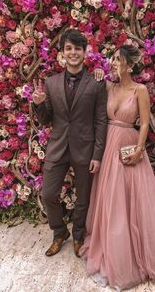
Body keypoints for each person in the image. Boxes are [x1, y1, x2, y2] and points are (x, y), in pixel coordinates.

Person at [79, 45, 155, 290]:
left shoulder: (139, 90)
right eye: (111, 59)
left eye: (117, 60)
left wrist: (139, 150)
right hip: (108, 146)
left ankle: (135, 253)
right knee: (109, 196)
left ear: (130, 66)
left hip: (129, 147)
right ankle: (112, 248)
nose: (113, 63)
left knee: (131, 198)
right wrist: (98, 71)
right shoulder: (109, 87)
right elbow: (90, 94)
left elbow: (144, 123)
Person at [32, 29, 107, 257]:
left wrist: (97, 154)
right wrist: (39, 104)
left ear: (84, 52)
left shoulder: (96, 82)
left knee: (83, 197)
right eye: (68, 48)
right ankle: (59, 232)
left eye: (77, 48)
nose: (73, 52)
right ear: (62, 53)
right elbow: (47, 120)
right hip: (58, 147)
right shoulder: (51, 83)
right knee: (47, 194)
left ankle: (78, 236)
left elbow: (101, 120)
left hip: (85, 148)